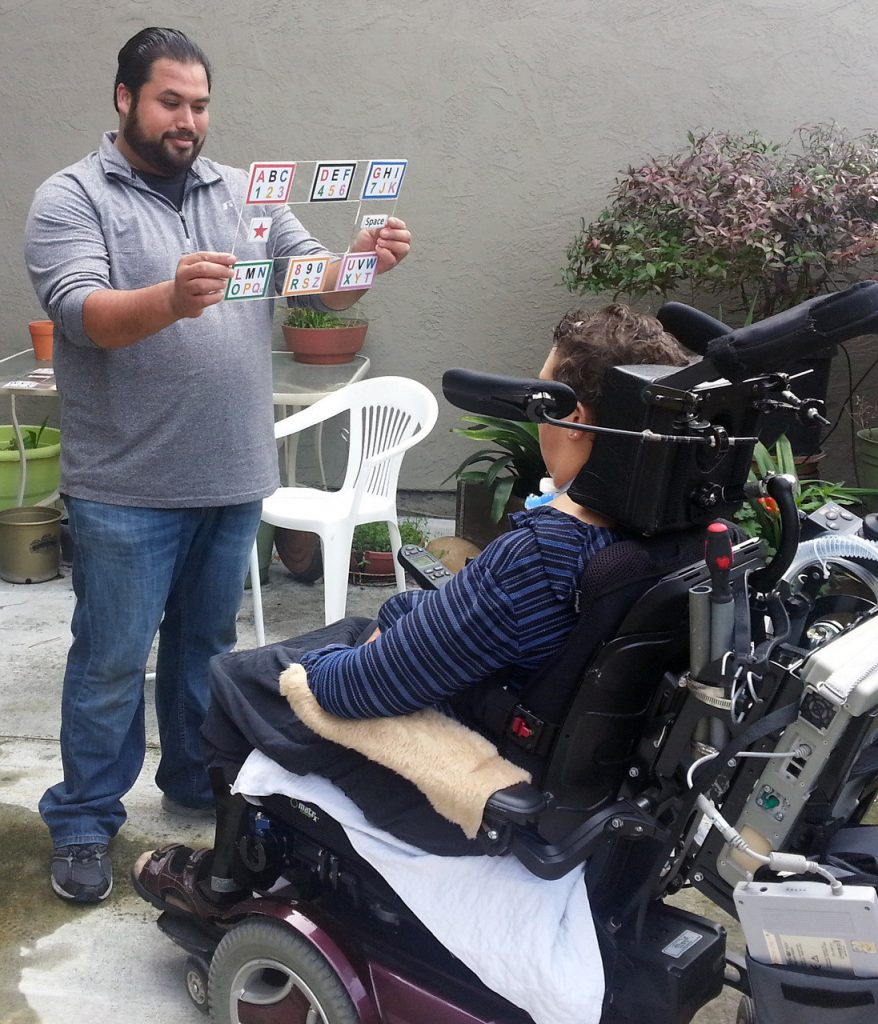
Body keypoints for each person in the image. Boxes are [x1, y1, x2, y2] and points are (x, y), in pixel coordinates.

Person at [24, 26, 411, 905]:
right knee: (111, 661)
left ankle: (196, 782)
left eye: (199, 105)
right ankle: (84, 817)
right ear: (124, 98)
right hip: (125, 485)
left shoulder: (243, 192)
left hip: (232, 474)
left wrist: (364, 265)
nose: (187, 120)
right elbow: (85, 315)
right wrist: (169, 297)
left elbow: (313, 280)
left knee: (207, 650)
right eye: (170, 102)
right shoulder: (70, 198)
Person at [132, 304, 690, 912]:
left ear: (575, 420)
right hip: (575, 761)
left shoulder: (545, 553)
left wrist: (326, 670)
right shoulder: (674, 535)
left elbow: (355, 693)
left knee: (240, 677)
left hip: (475, 784)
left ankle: (228, 880)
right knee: (359, 627)